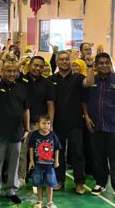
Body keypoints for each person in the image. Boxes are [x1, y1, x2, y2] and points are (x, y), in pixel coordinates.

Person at [0, 51, 30, 205]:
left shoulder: (21, 87)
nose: (11, 74)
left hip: (16, 133)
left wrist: (27, 128)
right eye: (8, 71)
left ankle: (11, 190)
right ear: (1, 71)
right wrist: (2, 59)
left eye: (14, 71)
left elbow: (26, 109)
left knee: (14, 163)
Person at [49, 51, 94, 194]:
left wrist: (90, 66)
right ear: (57, 62)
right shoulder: (51, 80)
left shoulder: (77, 78)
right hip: (57, 123)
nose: (63, 62)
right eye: (61, 60)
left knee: (77, 153)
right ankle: (59, 180)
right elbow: (50, 104)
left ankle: (79, 182)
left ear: (70, 61)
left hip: (75, 123)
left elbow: (90, 82)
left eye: (66, 59)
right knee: (58, 154)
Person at [17, 56, 55, 188]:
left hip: (39, 124)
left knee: (40, 153)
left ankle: (37, 178)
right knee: (22, 152)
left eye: (40, 66)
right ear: (29, 65)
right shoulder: (20, 79)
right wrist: (22, 61)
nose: (37, 68)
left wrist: (49, 125)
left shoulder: (47, 83)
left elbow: (50, 105)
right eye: (35, 65)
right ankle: (21, 177)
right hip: (22, 124)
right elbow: (11, 68)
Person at [83, 53, 115, 195]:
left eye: (106, 62)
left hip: (112, 126)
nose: (104, 65)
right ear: (96, 65)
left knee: (114, 158)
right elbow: (84, 101)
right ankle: (100, 183)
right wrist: (87, 117)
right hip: (95, 126)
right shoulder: (92, 80)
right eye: (100, 63)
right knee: (98, 157)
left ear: (110, 64)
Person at [29, 114, 61, 208]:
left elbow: (57, 148)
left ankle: (50, 202)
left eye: (48, 123)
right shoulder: (34, 135)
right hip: (38, 164)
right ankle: (39, 201)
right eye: (43, 123)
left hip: (50, 165)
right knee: (38, 183)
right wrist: (31, 160)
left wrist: (57, 161)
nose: (46, 125)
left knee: (50, 183)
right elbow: (31, 148)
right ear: (38, 124)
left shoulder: (53, 135)